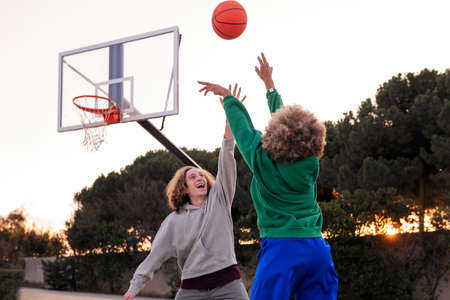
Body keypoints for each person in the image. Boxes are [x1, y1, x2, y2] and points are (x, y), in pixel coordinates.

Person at [198, 53, 338, 300]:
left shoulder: (262, 161)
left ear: (276, 134)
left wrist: (229, 99)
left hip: (282, 248)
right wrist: (269, 86)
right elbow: (287, 121)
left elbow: (242, 130)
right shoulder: (309, 162)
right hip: (317, 249)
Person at [123, 86, 249, 300]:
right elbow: (156, 255)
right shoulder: (174, 221)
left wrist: (231, 113)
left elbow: (227, 153)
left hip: (228, 284)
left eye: (201, 176)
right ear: (183, 188)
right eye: (192, 177)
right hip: (191, 290)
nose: (200, 178)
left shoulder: (220, 199)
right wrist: (134, 287)